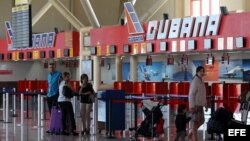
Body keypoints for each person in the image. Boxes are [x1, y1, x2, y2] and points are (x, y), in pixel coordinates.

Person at [188, 66, 208, 141]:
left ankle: (191, 134)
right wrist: (192, 106)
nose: (202, 73)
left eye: (203, 71)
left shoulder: (201, 81)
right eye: (200, 71)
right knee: (195, 122)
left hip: (200, 105)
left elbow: (203, 94)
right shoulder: (195, 81)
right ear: (197, 72)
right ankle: (195, 139)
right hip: (196, 105)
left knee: (202, 121)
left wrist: (205, 104)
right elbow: (191, 94)